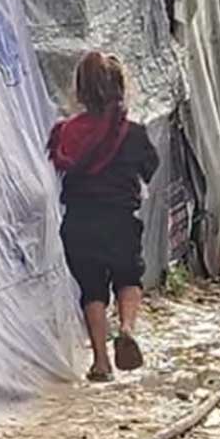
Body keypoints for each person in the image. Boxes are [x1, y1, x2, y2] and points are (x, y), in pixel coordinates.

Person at [47, 51, 160, 382]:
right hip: (120, 221)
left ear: (80, 90)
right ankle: (126, 328)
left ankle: (100, 362)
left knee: (92, 290)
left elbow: (59, 169)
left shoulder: (64, 133)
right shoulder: (132, 133)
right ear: (120, 89)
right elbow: (150, 169)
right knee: (128, 277)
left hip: (79, 223)